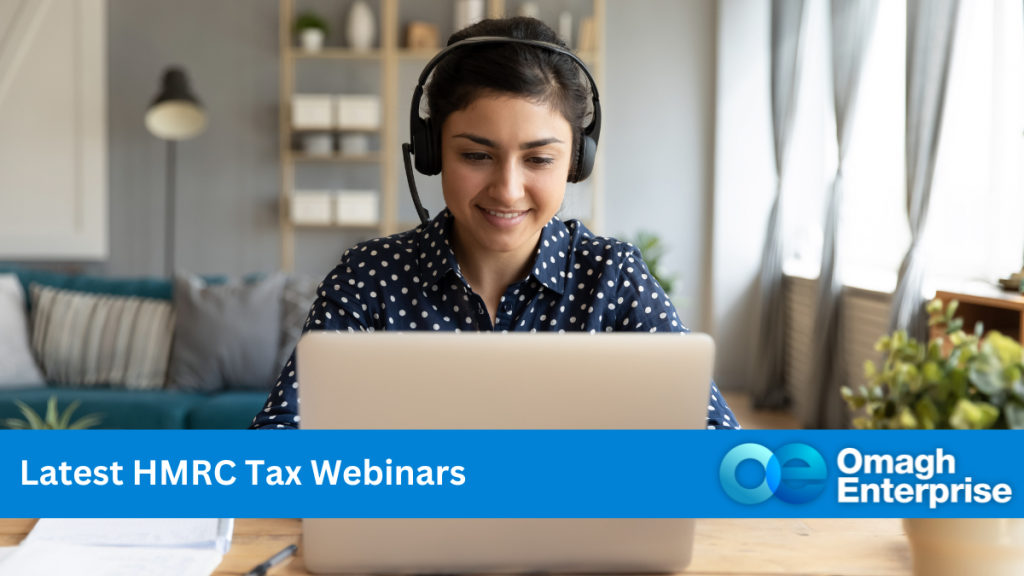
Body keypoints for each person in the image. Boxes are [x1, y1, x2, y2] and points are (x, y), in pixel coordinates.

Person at [250, 17, 738, 431]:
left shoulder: (613, 276)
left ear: (576, 162)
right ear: (431, 151)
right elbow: (275, 448)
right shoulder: (370, 278)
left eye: (539, 159)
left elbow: (725, 454)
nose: (507, 189)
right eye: (476, 154)